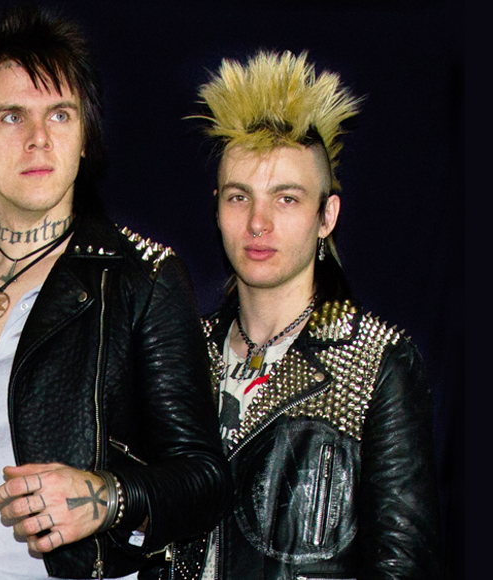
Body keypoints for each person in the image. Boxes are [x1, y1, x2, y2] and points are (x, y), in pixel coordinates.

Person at [0, 5, 231, 579]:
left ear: (84, 137)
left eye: (59, 114)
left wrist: (107, 498)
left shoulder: (142, 278)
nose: (38, 139)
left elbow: (204, 480)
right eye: (11, 116)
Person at [155, 50, 441, 579]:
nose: (257, 222)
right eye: (239, 197)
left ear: (326, 215)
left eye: (286, 199)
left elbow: (402, 564)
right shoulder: (178, 351)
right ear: (216, 208)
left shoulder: (377, 362)